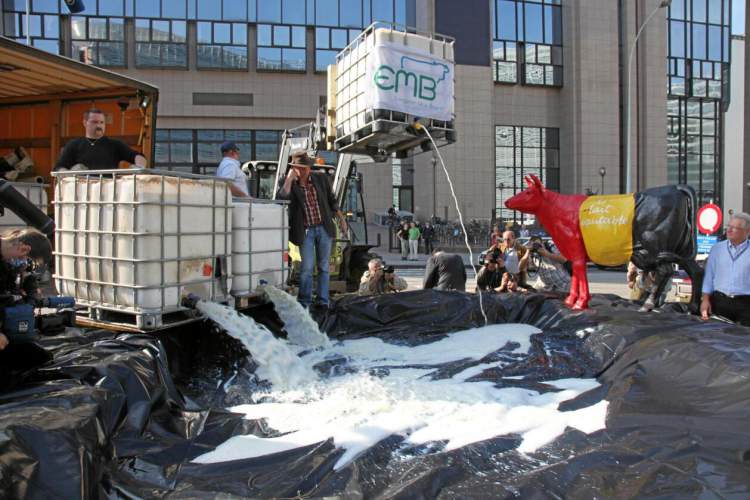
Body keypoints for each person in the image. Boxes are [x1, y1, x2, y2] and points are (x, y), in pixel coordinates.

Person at [278, 150, 348, 308]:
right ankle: (305, 301)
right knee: (307, 268)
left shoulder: (321, 178)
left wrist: (341, 219)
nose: (303, 170)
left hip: (324, 228)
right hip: (306, 231)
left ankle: (323, 300)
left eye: (305, 167)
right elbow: (281, 199)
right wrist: (289, 179)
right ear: (294, 168)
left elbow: (332, 200)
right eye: (299, 168)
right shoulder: (289, 182)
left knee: (324, 266)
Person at [0, 228, 54, 393]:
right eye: (26, 260)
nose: (25, 266)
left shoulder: (8, 267)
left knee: (39, 358)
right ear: (24, 249)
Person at [54, 108, 147, 171]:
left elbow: (137, 156)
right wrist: (71, 173)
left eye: (101, 122)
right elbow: (59, 168)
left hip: (108, 196)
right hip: (82, 195)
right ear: (85, 123)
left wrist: (139, 167)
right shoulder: (74, 145)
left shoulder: (115, 145)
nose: (99, 125)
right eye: (94, 122)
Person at [700, 212, 750, 326]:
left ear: (747, 231)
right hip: (720, 303)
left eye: (735, 228)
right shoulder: (717, 249)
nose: (729, 230)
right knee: (717, 339)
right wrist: (705, 300)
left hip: (745, 304)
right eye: (728, 226)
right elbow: (709, 277)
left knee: (742, 340)